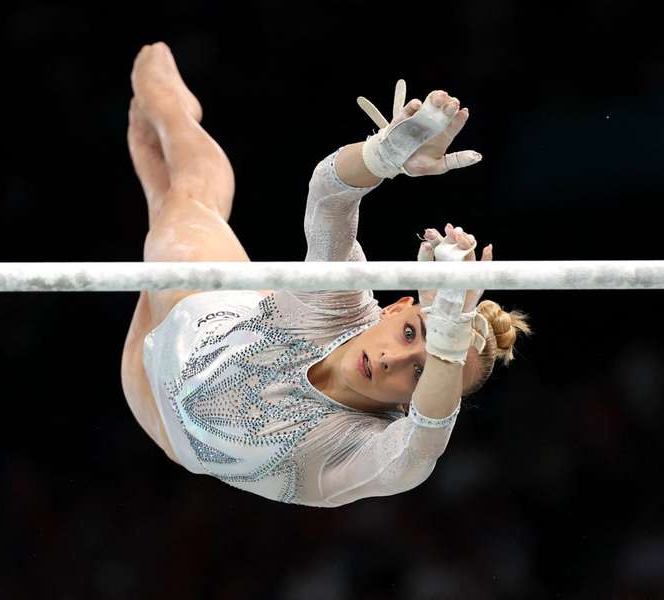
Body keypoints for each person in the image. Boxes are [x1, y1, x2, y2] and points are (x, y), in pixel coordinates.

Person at [120, 42, 531, 507]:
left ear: (414, 403)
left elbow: (423, 447)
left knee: (165, 216)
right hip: (190, 305)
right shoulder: (339, 304)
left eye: (419, 373)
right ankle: (173, 112)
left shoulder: (359, 450)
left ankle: (160, 186)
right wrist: (383, 154)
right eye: (410, 332)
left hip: (151, 404)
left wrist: (451, 329)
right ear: (394, 308)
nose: (393, 359)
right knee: (185, 203)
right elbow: (329, 196)